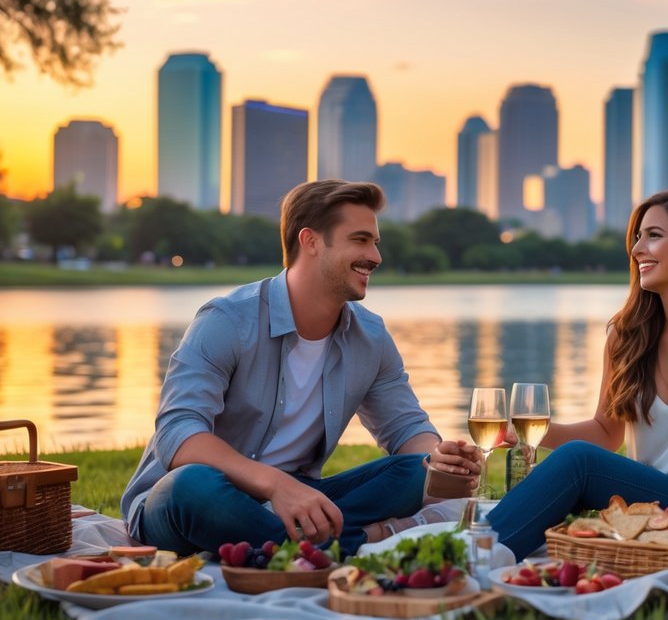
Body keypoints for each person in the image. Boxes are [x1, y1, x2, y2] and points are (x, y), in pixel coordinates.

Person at [434, 188, 668, 560]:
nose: (637, 249)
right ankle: (475, 553)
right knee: (575, 468)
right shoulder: (626, 337)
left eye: (654, 236)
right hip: (642, 512)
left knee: (579, 462)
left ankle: (467, 558)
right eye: (637, 237)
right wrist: (523, 433)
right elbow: (605, 432)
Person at [120, 180, 479, 557]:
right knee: (191, 486)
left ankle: (290, 545)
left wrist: (441, 459)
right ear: (310, 241)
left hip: (300, 500)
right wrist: (275, 485)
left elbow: (406, 428)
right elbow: (178, 433)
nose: (375, 256)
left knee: (415, 471)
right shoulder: (227, 320)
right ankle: (355, 545)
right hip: (191, 499)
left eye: (375, 242)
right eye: (359, 240)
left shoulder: (370, 336)